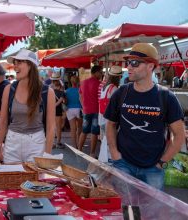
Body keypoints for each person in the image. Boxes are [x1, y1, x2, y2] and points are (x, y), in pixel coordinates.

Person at [105, 43, 185, 190]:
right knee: (124, 211)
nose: (129, 67)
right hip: (123, 165)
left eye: (134, 63)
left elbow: (179, 135)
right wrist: (115, 154)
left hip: (153, 169)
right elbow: (110, 124)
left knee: (151, 212)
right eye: (128, 62)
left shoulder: (166, 97)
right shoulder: (121, 93)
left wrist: (162, 162)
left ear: (150, 66)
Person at [0, 49, 56, 163]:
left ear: (31, 66)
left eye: (19, 62)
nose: (15, 66)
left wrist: (47, 155)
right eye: (15, 63)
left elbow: (51, 127)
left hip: (36, 143)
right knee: (11, 178)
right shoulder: (9, 90)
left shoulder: (47, 92)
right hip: (12, 142)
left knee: (34, 180)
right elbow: (3, 121)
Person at [78, 65, 103, 157]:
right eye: (100, 72)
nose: (102, 74)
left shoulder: (83, 82)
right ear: (95, 72)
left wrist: (83, 106)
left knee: (84, 131)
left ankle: (79, 150)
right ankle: (92, 153)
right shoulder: (99, 84)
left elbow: (80, 96)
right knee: (94, 132)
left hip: (86, 110)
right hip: (96, 110)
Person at [65, 74, 83, 149]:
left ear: (71, 82)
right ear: (78, 81)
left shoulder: (67, 91)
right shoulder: (80, 90)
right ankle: (79, 144)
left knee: (73, 129)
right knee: (79, 128)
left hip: (69, 109)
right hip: (79, 109)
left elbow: (65, 101)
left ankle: (74, 146)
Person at [50, 72, 65, 148]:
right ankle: (56, 142)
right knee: (56, 127)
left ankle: (56, 142)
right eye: (54, 80)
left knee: (55, 126)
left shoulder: (51, 88)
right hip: (55, 109)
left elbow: (61, 99)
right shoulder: (61, 88)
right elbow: (61, 100)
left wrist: (52, 106)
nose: (55, 81)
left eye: (55, 80)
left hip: (53, 109)